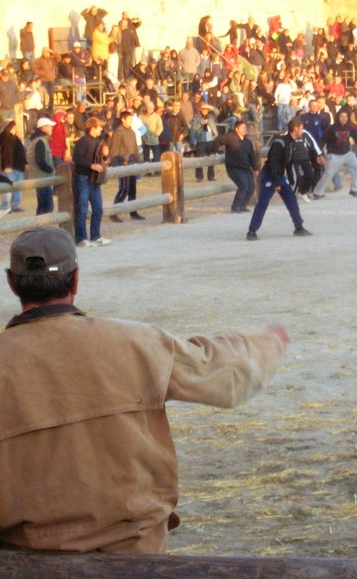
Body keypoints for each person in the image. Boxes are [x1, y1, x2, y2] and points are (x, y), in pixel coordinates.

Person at [0, 226, 288, 553]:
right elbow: (220, 374)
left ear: (12, 283)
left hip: (22, 557)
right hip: (134, 553)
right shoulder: (134, 341)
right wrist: (268, 344)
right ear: (76, 280)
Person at [247, 118, 313, 240]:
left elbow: (288, 162)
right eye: (301, 128)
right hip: (270, 175)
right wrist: (276, 181)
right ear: (295, 129)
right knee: (263, 202)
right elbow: (273, 162)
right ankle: (252, 231)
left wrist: (291, 179)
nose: (303, 131)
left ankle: (299, 227)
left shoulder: (292, 142)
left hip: (280, 175)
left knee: (291, 199)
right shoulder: (279, 143)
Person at [312, 110, 357, 199]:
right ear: (338, 117)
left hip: (347, 154)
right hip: (334, 155)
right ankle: (317, 193)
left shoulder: (350, 127)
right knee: (328, 174)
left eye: (346, 117)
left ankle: (353, 189)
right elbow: (323, 140)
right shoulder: (331, 128)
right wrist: (319, 154)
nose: (344, 119)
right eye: (342, 117)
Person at [72, 117, 112, 247]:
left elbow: (99, 159)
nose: (101, 129)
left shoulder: (98, 141)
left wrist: (105, 155)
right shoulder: (83, 141)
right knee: (82, 209)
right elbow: (76, 158)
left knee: (98, 209)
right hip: (83, 178)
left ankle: (96, 236)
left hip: (94, 179)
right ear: (92, 128)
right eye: (99, 126)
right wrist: (91, 165)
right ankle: (81, 238)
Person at [209, 120, 259, 213]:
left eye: (245, 128)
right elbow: (217, 140)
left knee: (251, 186)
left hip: (246, 168)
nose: (245, 129)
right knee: (243, 185)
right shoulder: (230, 137)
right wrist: (214, 151)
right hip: (234, 168)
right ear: (237, 129)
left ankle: (243, 205)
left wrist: (255, 168)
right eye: (242, 128)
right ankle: (235, 207)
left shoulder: (247, 142)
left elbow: (252, 155)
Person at [109, 110, 144, 222]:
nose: (131, 121)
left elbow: (135, 148)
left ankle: (133, 211)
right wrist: (116, 164)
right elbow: (114, 149)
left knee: (133, 189)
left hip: (132, 163)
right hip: (123, 163)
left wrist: (139, 160)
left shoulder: (132, 132)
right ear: (123, 119)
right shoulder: (119, 132)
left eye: (131, 119)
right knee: (124, 188)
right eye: (129, 119)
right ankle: (114, 212)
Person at [27, 117, 56, 214]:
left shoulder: (38, 140)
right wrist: (50, 169)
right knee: (47, 207)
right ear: (43, 128)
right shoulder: (40, 141)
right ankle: (42, 227)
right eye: (49, 127)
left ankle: (39, 227)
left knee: (42, 206)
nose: (52, 128)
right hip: (42, 177)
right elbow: (40, 160)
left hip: (40, 177)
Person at [0, 120, 28, 213]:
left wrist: (25, 162)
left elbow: (21, 152)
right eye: (14, 127)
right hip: (9, 166)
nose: (15, 128)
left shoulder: (16, 138)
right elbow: (4, 135)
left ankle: (16, 205)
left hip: (18, 166)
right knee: (7, 187)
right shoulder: (5, 137)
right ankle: (5, 206)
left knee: (18, 187)